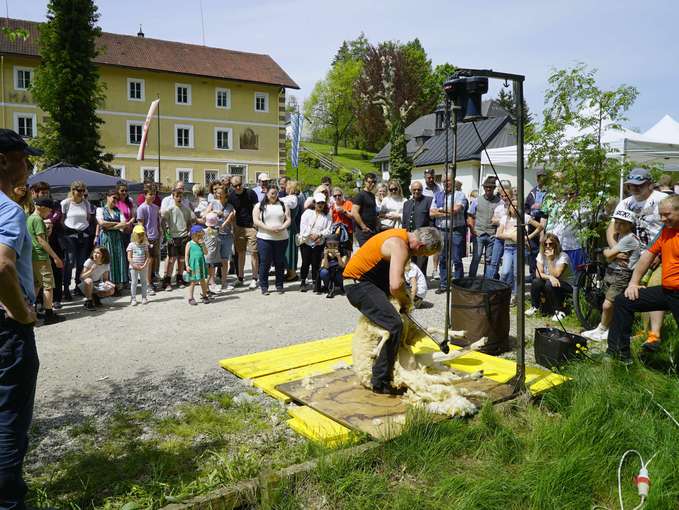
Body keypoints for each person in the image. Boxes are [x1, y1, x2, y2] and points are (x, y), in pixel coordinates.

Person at [343, 227, 442, 394]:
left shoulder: (400, 235)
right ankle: (380, 381)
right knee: (394, 324)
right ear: (420, 246)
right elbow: (396, 285)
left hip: (369, 281)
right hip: (357, 285)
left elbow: (398, 280)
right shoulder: (400, 246)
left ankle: (392, 363)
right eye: (423, 255)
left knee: (394, 318)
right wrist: (404, 302)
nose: (419, 257)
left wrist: (402, 301)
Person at [0, 129, 41, 509]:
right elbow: (1, 266)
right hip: (6, 331)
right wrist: (21, 313)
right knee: (8, 424)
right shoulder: (7, 208)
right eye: (23, 157)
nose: (27, 164)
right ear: (3, 161)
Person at [607, 196, 679, 364]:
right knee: (623, 301)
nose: (662, 219)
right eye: (660, 215)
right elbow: (648, 255)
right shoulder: (666, 230)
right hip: (667, 291)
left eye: (667, 214)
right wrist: (633, 283)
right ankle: (618, 355)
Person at [609, 168, 668, 351]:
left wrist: (660, 253)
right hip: (634, 255)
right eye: (631, 185)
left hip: (659, 254)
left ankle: (654, 335)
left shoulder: (661, 200)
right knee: (627, 293)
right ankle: (639, 332)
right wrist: (615, 250)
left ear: (649, 184)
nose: (634, 188)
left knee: (654, 287)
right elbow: (612, 228)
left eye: (639, 185)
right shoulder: (625, 203)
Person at [581, 210, 641, 341]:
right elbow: (609, 259)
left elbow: (607, 255)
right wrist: (614, 255)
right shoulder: (620, 237)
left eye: (622, 223)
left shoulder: (629, 239)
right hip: (613, 271)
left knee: (608, 304)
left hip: (622, 274)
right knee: (610, 303)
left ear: (630, 225)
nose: (617, 226)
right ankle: (606, 328)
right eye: (616, 222)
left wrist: (606, 251)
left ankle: (602, 329)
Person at [496, 199, 543, 305]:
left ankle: (515, 295)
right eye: (513, 206)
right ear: (509, 207)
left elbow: (540, 227)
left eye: (517, 206)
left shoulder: (525, 217)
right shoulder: (505, 218)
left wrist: (527, 238)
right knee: (505, 272)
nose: (515, 208)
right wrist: (511, 236)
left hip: (519, 248)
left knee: (517, 273)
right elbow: (498, 234)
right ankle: (503, 293)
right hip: (508, 248)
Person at [28, 198, 65, 324]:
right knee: (48, 286)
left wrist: (47, 231)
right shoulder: (38, 219)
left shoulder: (30, 219)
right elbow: (41, 241)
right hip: (41, 257)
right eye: (49, 210)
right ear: (41, 207)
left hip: (32, 256)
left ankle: (30, 310)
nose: (49, 213)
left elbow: (37, 237)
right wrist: (55, 257)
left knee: (37, 284)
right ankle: (49, 315)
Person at [432, 178, 468, 293]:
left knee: (457, 259)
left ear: (453, 182)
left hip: (456, 230)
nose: (446, 183)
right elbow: (431, 213)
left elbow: (456, 210)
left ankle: (459, 286)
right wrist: (447, 211)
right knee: (443, 258)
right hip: (442, 230)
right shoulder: (438, 195)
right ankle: (443, 285)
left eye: (448, 181)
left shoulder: (460, 195)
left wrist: (440, 210)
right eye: (444, 182)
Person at [526, 234, 574, 320]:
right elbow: (538, 274)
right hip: (551, 283)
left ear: (556, 244)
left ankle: (559, 311)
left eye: (551, 244)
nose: (548, 246)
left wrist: (550, 260)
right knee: (536, 281)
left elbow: (556, 275)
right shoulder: (541, 255)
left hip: (567, 285)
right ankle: (535, 307)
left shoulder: (563, 256)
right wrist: (550, 277)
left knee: (549, 283)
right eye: (545, 244)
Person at [252, 187, 291, 295]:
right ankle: (264, 286)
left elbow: (288, 219)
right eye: (272, 193)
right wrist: (268, 228)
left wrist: (282, 227)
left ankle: (279, 285)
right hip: (265, 238)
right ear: (267, 194)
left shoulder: (283, 205)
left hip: (282, 238)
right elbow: (256, 220)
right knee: (265, 262)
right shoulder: (259, 205)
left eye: (276, 193)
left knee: (280, 262)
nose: (274, 195)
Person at [61, 180, 91, 301]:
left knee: (81, 263)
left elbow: (88, 218)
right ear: (73, 190)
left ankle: (79, 286)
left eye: (83, 190)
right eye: (79, 190)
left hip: (83, 235)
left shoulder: (86, 203)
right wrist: (68, 231)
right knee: (69, 262)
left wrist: (83, 229)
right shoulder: (65, 203)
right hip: (70, 236)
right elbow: (62, 220)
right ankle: (66, 289)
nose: (81, 193)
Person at [161, 188, 196, 291]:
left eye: (181, 196)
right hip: (173, 237)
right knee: (171, 260)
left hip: (184, 237)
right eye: (177, 196)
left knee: (181, 259)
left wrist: (190, 231)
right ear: (173, 197)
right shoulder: (170, 209)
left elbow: (191, 220)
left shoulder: (186, 209)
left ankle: (179, 279)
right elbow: (163, 222)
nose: (179, 198)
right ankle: (167, 281)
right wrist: (167, 235)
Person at [229, 176, 260, 289]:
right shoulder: (231, 196)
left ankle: (254, 278)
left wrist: (256, 223)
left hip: (251, 227)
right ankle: (240, 278)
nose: (238, 187)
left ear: (242, 183)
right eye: (235, 186)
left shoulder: (250, 193)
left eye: (239, 184)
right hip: (239, 227)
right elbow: (231, 211)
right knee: (240, 253)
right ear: (232, 186)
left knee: (254, 253)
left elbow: (257, 208)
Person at [96, 189, 129, 292]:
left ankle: (118, 284)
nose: (116, 200)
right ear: (108, 197)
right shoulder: (100, 209)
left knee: (118, 259)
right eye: (114, 197)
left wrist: (109, 225)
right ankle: (108, 285)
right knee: (107, 260)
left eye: (117, 198)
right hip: (106, 238)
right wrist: (116, 223)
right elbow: (101, 223)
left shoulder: (118, 211)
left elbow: (124, 224)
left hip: (117, 238)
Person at [299, 193, 333, 293]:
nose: (320, 205)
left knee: (316, 263)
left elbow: (329, 230)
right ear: (314, 203)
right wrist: (310, 235)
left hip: (319, 242)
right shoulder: (307, 213)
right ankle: (303, 281)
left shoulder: (327, 216)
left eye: (322, 203)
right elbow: (303, 227)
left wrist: (320, 235)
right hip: (306, 242)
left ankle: (315, 281)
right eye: (318, 203)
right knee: (305, 263)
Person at [468, 176, 501, 278]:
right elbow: (470, 215)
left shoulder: (499, 201)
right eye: (486, 187)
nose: (488, 189)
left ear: (494, 188)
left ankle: (487, 280)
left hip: (492, 234)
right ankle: (471, 279)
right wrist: (472, 230)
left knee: (489, 259)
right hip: (479, 233)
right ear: (484, 188)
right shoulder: (477, 200)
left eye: (490, 187)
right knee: (476, 258)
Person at [206, 187, 235, 291]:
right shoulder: (213, 203)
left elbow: (233, 220)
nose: (218, 194)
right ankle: (212, 282)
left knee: (224, 260)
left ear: (225, 194)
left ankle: (224, 283)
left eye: (220, 193)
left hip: (227, 235)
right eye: (216, 193)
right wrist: (215, 212)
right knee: (213, 260)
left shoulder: (230, 206)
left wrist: (228, 218)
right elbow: (206, 215)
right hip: (214, 234)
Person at [402, 181, 433, 274]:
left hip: (422, 237)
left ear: (422, 190)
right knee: (411, 261)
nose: (416, 191)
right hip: (410, 236)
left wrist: (429, 234)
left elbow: (431, 219)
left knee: (422, 261)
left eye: (419, 189)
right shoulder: (406, 203)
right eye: (414, 190)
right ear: (411, 190)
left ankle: (422, 281)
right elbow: (404, 220)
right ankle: (413, 280)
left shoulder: (428, 200)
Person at [136, 183, 161, 294]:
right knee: (148, 261)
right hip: (147, 238)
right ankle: (147, 284)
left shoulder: (156, 207)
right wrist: (144, 238)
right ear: (145, 195)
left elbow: (157, 222)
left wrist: (160, 234)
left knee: (154, 260)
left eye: (154, 194)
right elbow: (140, 225)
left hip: (155, 237)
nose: (152, 196)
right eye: (150, 194)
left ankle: (151, 281)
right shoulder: (141, 208)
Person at [525, 168, 549, 279]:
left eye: (543, 177)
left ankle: (543, 273)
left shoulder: (550, 193)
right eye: (539, 177)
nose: (541, 179)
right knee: (533, 249)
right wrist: (530, 213)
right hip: (532, 223)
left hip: (545, 222)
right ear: (537, 178)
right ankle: (532, 273)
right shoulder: (532, 192)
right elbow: (525, 207)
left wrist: (541, 206)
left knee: (545, 248)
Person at [80, 246, 115, 311]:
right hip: (85, 284)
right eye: (94, 252)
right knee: (89, 281)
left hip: (97, 283)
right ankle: (88, 301)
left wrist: (109, 284)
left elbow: (105, 279)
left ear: (103, 255)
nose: (95, 254)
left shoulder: (106, 264)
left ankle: (95, 297)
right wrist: (91, 270)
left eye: (98, 253)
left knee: (111, 290)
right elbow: (82, 276)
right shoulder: (89, 261)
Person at [185, 225, 210, 305]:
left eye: (201, 235)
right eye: (197, 236)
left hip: (201, 264)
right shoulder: (189, 244)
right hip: (193, 265)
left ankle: (205, 295)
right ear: (192, 235)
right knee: (193, 282)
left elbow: (206, 253)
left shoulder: (202, 243)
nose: (199, 237)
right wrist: (187, 265)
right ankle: (191, 298)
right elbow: (187, 255)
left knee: (202, 281)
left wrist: (203, 245)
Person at [351, 173, 378, 246]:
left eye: (374, 182)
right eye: (369, 182)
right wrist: (363, 226)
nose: (372, 184)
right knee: (366, 253)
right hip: (363, 231)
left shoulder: (372, 195)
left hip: (372, 230)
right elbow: (354, 212)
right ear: (365, 182)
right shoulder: (360, 195)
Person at [127, 224, 150, 306]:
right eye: (138, 234)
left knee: (144, 282)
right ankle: (133, 298)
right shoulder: (131, 245)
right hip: (133, 267)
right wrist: (134, 265)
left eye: (141, 234)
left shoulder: (145, 245)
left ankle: (144, 297)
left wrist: (144, 265)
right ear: (134, 235)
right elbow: (129, 257)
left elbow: (147, 256)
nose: (140, 236)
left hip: (143, 266)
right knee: (134, 282)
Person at [319, 234, 348, 298]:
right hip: (329, 273)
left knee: (339, 271)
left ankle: (342, 287)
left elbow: (343, 266)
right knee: (323, 272)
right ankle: (329, 288)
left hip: (339, 273)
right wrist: (326, 256)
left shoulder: (343, 251)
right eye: (330, 244)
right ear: (326, 244)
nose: (332, 246)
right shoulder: (324, 252)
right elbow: (325, 266)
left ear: (338, 244)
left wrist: (338, 257)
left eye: (335, 244)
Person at [330, 187, 354, 258]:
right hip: (335, 232)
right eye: (335, 196)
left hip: (347, 231)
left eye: (339, 195)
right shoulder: (331, 206)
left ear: (342, 195)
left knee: (347, 251)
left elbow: (352, 216)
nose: (337, 197)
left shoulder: (348, 203)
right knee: (336, 252)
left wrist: (344, 211)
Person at [203, 213, 221, 290]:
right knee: (210, 272)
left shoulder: (203, 231)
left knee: (207, 273)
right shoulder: (216, 231)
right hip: (212, 256)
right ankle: (207, 288)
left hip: (206, 255)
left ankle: (208, 288)